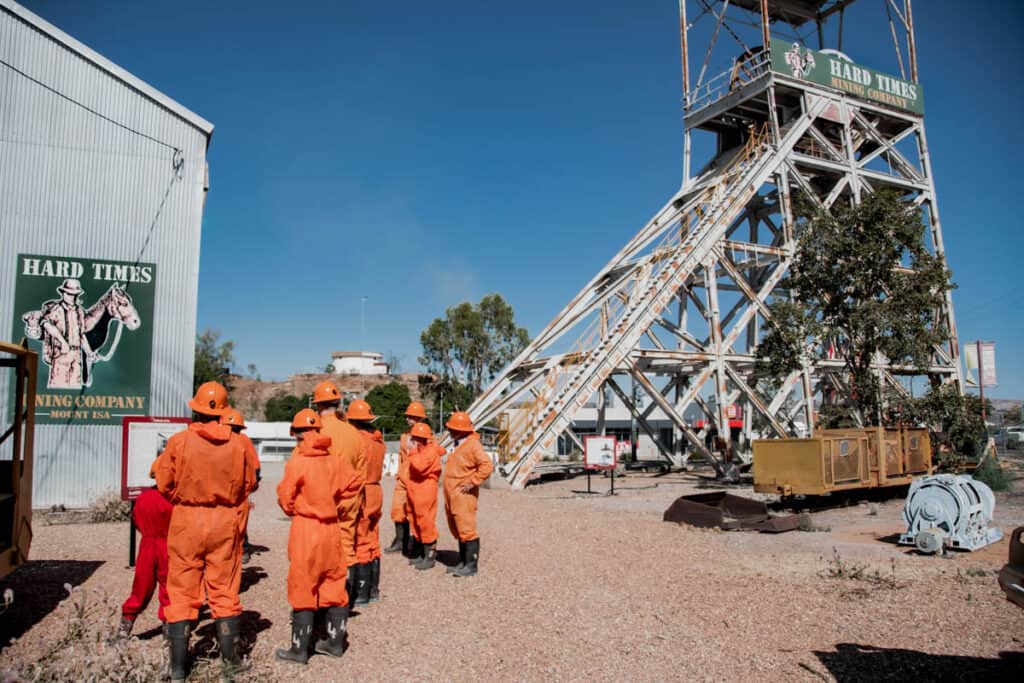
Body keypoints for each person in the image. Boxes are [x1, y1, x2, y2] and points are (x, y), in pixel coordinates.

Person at [152, 382, 257, 682]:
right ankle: (231, 662)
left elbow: (163, 484)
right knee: (224, 590)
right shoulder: (239, 444)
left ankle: (178, 667)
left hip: (187, 519)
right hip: (224, 520)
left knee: (183, 591)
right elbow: (250, 483)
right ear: (223, 412)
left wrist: (183, 498)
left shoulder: (179, 441)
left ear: (195, 409)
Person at [275, 409, 360, 664]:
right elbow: (355, 483)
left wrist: (296, 510)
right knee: (334, 582)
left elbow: (284, 497)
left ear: (299, 436)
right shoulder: (334, 460)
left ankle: (299, 650)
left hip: (307, 528)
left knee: (303, 583)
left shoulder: (298, 461)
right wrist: (339, 506)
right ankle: (335, 643)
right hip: (331, 528)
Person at [311, 381, 366, 603]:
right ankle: (346, 598)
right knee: (346, 546)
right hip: (350, 497)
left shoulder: (316, 431)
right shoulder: (353, 433)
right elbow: (361, 470)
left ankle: (325, 601)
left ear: (318, 405)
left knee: (320, 550)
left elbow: (305, 467)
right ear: (338, 403)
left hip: (323, 499)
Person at [117, 485, 173, 638]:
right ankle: (169, 627)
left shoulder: (143, 497)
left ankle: (125, 624)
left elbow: (135, 519)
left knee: (141, 585)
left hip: (147, 544)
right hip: (169, 544)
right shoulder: (174, 497)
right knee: (168, 587)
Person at [442, 412, 493, 578]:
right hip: (453, 493)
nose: (449, 431)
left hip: (463, 494)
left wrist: (473, 481)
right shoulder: (459, 444)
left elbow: (486, 466)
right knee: (457, 528)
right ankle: (463, 561)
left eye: (452, 428)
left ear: (460, 430)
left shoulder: (472, 445)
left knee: (466, 528)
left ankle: (471, 565)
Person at [347, 399, 385, 605]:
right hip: (376, 489)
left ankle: (360, 593)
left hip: (362, 490)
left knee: (360, 539)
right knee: (372, 538)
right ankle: (373, 589)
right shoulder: (378, 440)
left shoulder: (357, 440)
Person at [385, 401, 429, 557]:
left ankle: (417, 546)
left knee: (416, 513)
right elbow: (402, 458)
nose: (407, 419)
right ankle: (400, 542)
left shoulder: (428, 438)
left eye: (410, 417)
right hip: (403, 479)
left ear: (418, 418)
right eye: (408, 417)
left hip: (418, 481)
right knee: (398, 511)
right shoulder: (404, 437)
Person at [401, 422, 445, 570]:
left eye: (415, 437)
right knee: (415, 519)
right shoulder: (422, 450)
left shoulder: (430, 451)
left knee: (425, 521)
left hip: (425, 488)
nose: (413, 440)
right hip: (416, 487)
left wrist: (412, 452)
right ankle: (421, 553)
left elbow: (420, 467)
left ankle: (430, 555)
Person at [221, 408, 261, 564]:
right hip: (240, 492)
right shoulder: (244, 440)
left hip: (219, 492)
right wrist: (251, 486)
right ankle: (242, 550)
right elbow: (256, 468)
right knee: (239, 524)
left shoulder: (217, 439)